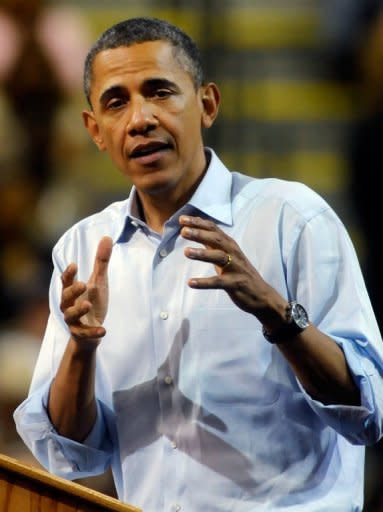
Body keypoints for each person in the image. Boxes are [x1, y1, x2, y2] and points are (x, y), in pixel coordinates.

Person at [13, 16, 383, 512]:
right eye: (116, 102)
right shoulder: (83, 249)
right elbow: (69, 454)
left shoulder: (293, 220)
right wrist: (80, 349)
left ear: (207, 104)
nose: (140, 118)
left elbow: (368, 409)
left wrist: (276, 313)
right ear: (94, 130)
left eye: (160, 91)